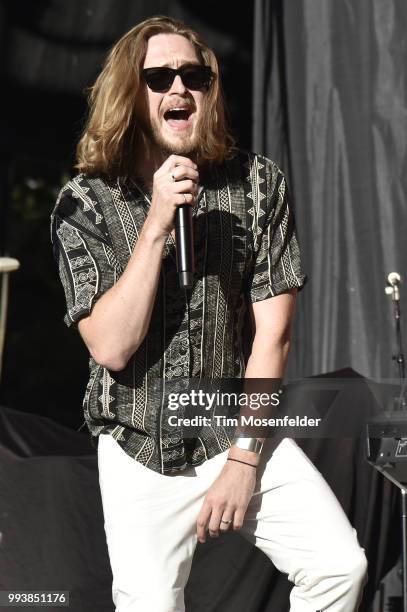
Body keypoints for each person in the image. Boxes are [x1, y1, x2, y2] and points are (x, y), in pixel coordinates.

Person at [50, 15, 367, 612]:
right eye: (159, 76)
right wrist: (157, 222)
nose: (179, 88)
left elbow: (274, 333)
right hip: (138, 442)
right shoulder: (86, 202)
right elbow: (111, 348)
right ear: (129, 93)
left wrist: (246, 459)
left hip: (230, 428)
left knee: (338, 566)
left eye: (194, 75)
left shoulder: (255, 184)